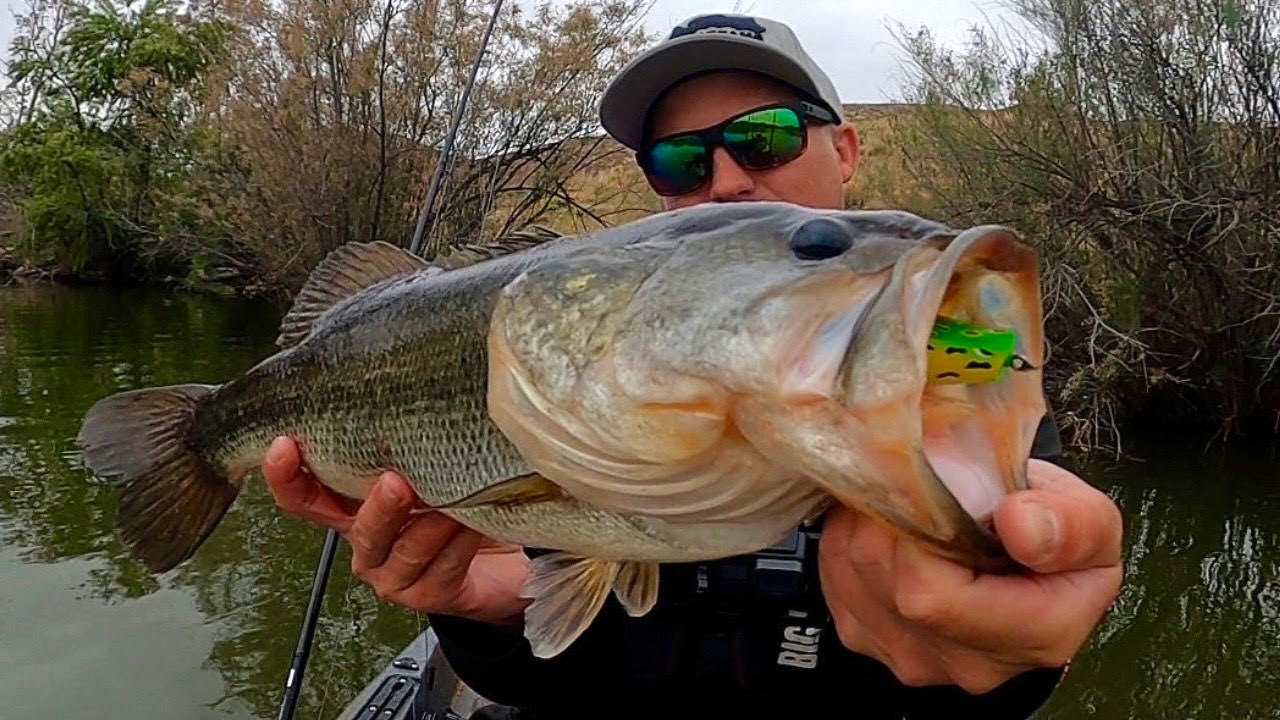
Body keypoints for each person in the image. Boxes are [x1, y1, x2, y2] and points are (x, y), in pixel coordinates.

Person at [261, 12, 1124, 719]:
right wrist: (484, 611)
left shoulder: (963, 362)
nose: (726, 180)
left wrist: (996, 652)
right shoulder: (597, 375)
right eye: (678, 159)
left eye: (765, 137)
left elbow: (974, 645)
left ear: (847, 149)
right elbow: (550, 669)